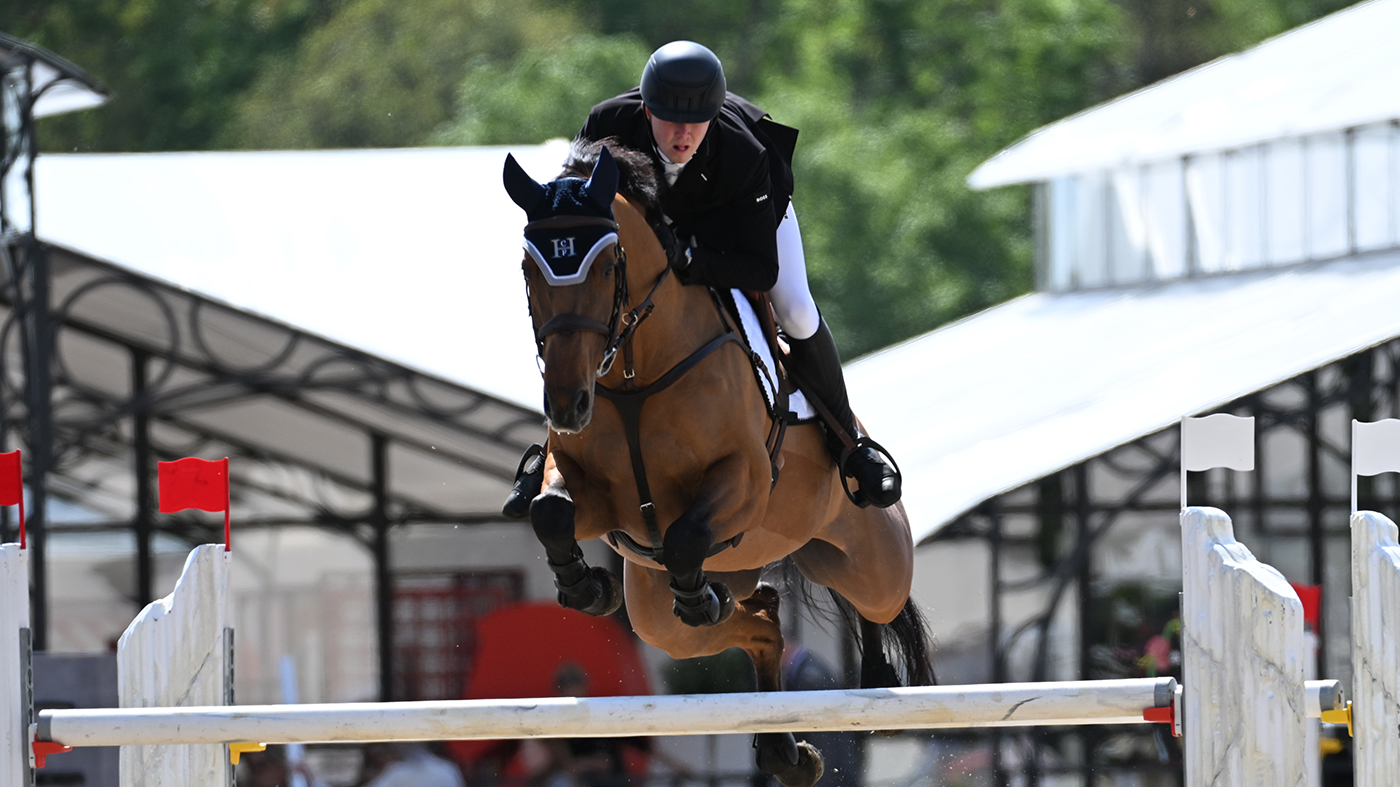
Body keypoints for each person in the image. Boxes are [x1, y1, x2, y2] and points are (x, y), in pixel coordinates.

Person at [503, 40, 900, 516]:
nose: (684, 134)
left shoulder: (743, 153)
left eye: (696, 122)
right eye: (670, 119)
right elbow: (581, 215)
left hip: (737, 225)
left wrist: (691, 260)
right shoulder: (607, 126)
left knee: (793, 307)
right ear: (646, 110)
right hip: (654, 226)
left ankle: (850, 444)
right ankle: (552, 454)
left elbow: (759, 268)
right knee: (584, 304)